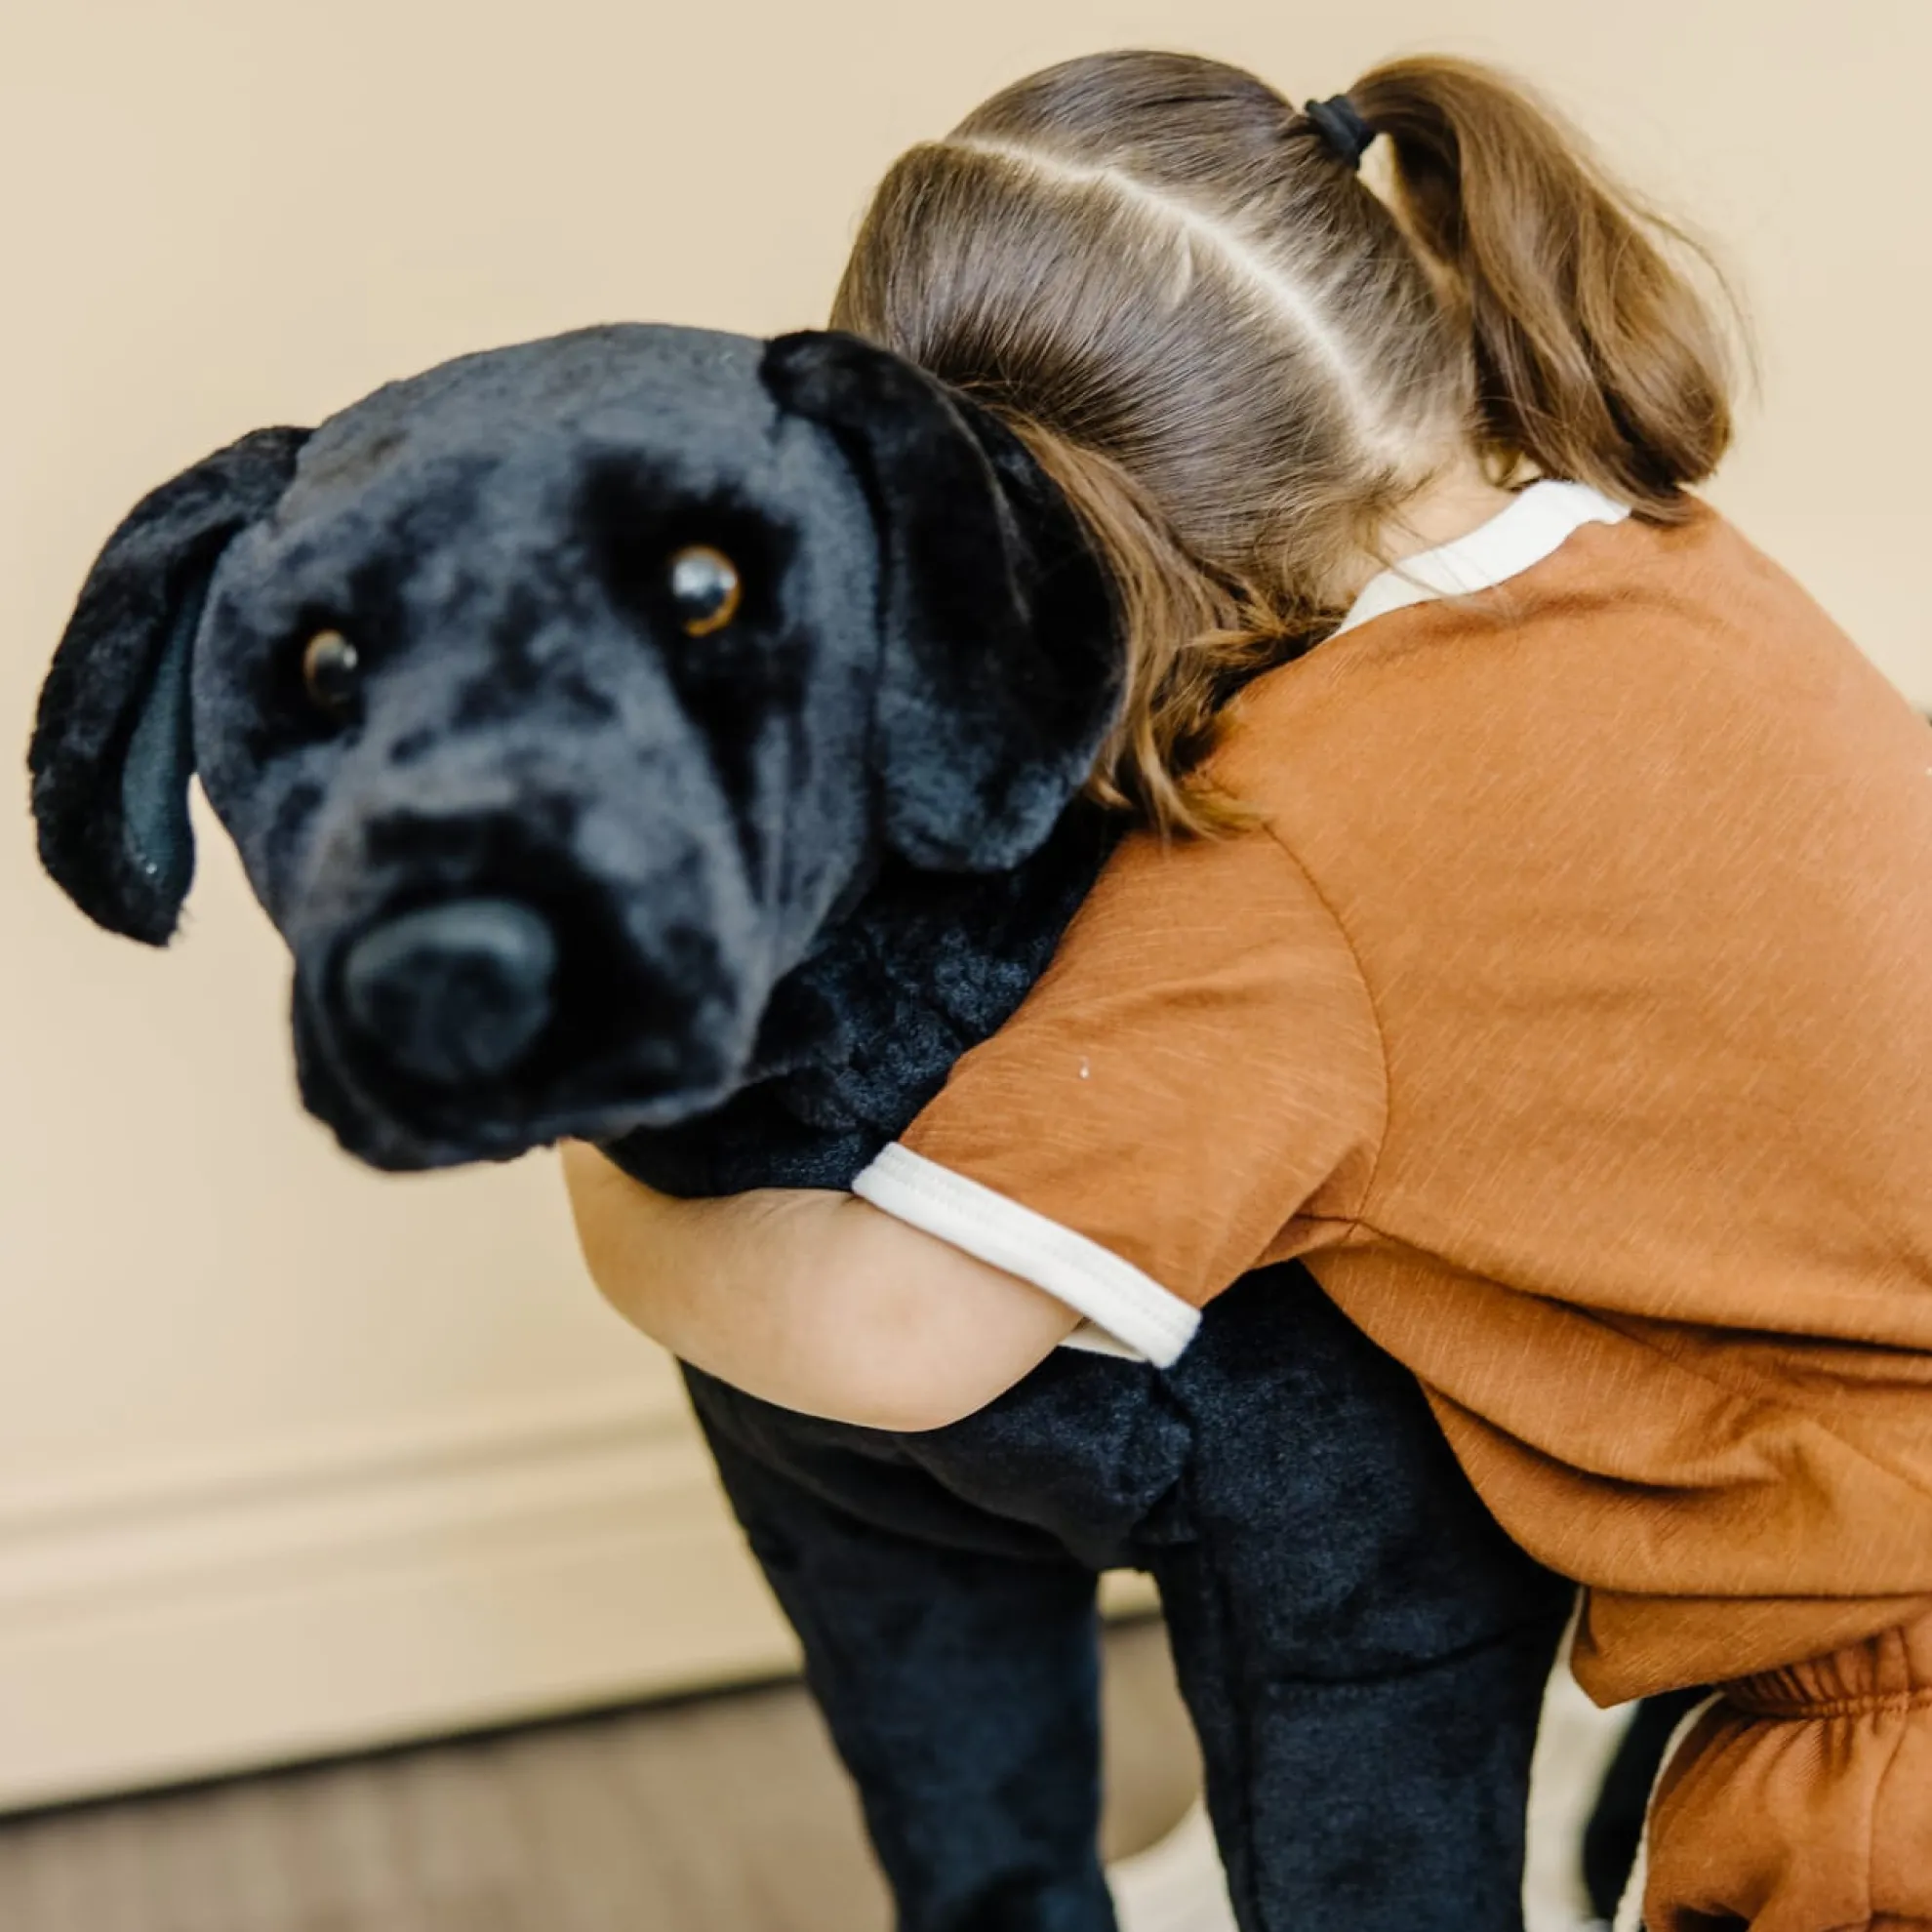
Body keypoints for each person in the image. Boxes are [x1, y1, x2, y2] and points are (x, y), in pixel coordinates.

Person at [564, 49, 1932, 1930]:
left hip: (1883, 1759)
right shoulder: (1675, 551)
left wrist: (606, 1165)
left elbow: (895, 1334)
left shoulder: (1286, 854)